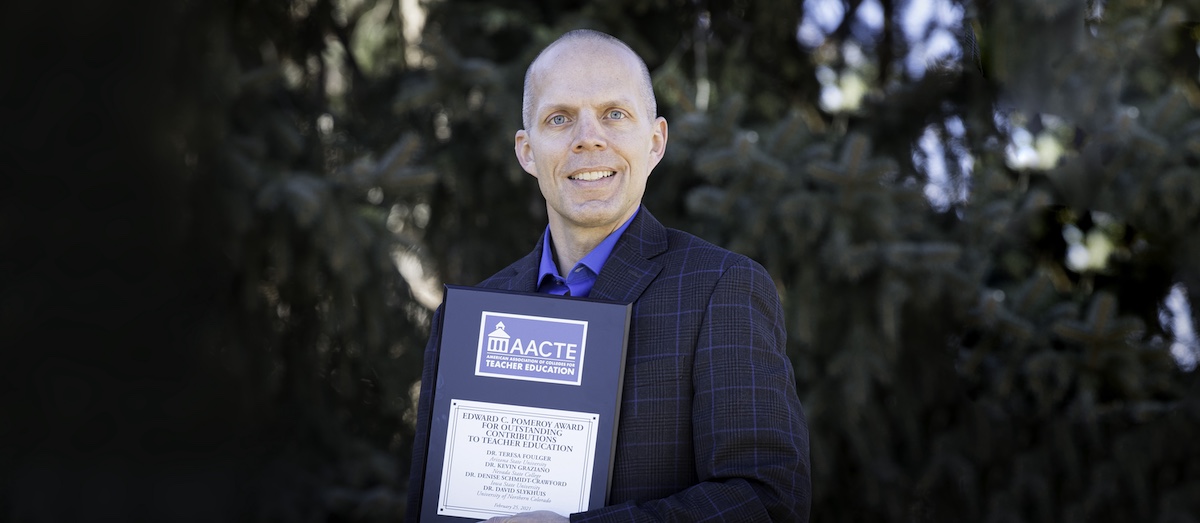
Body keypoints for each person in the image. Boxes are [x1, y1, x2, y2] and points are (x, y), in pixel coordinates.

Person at [406, 29, 811, 522]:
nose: (588, 137)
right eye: (559, 119)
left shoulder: (720, 289)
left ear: (656, 141)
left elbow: (768, 502)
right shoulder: (469, 318)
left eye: (614, 115)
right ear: (527, 150)